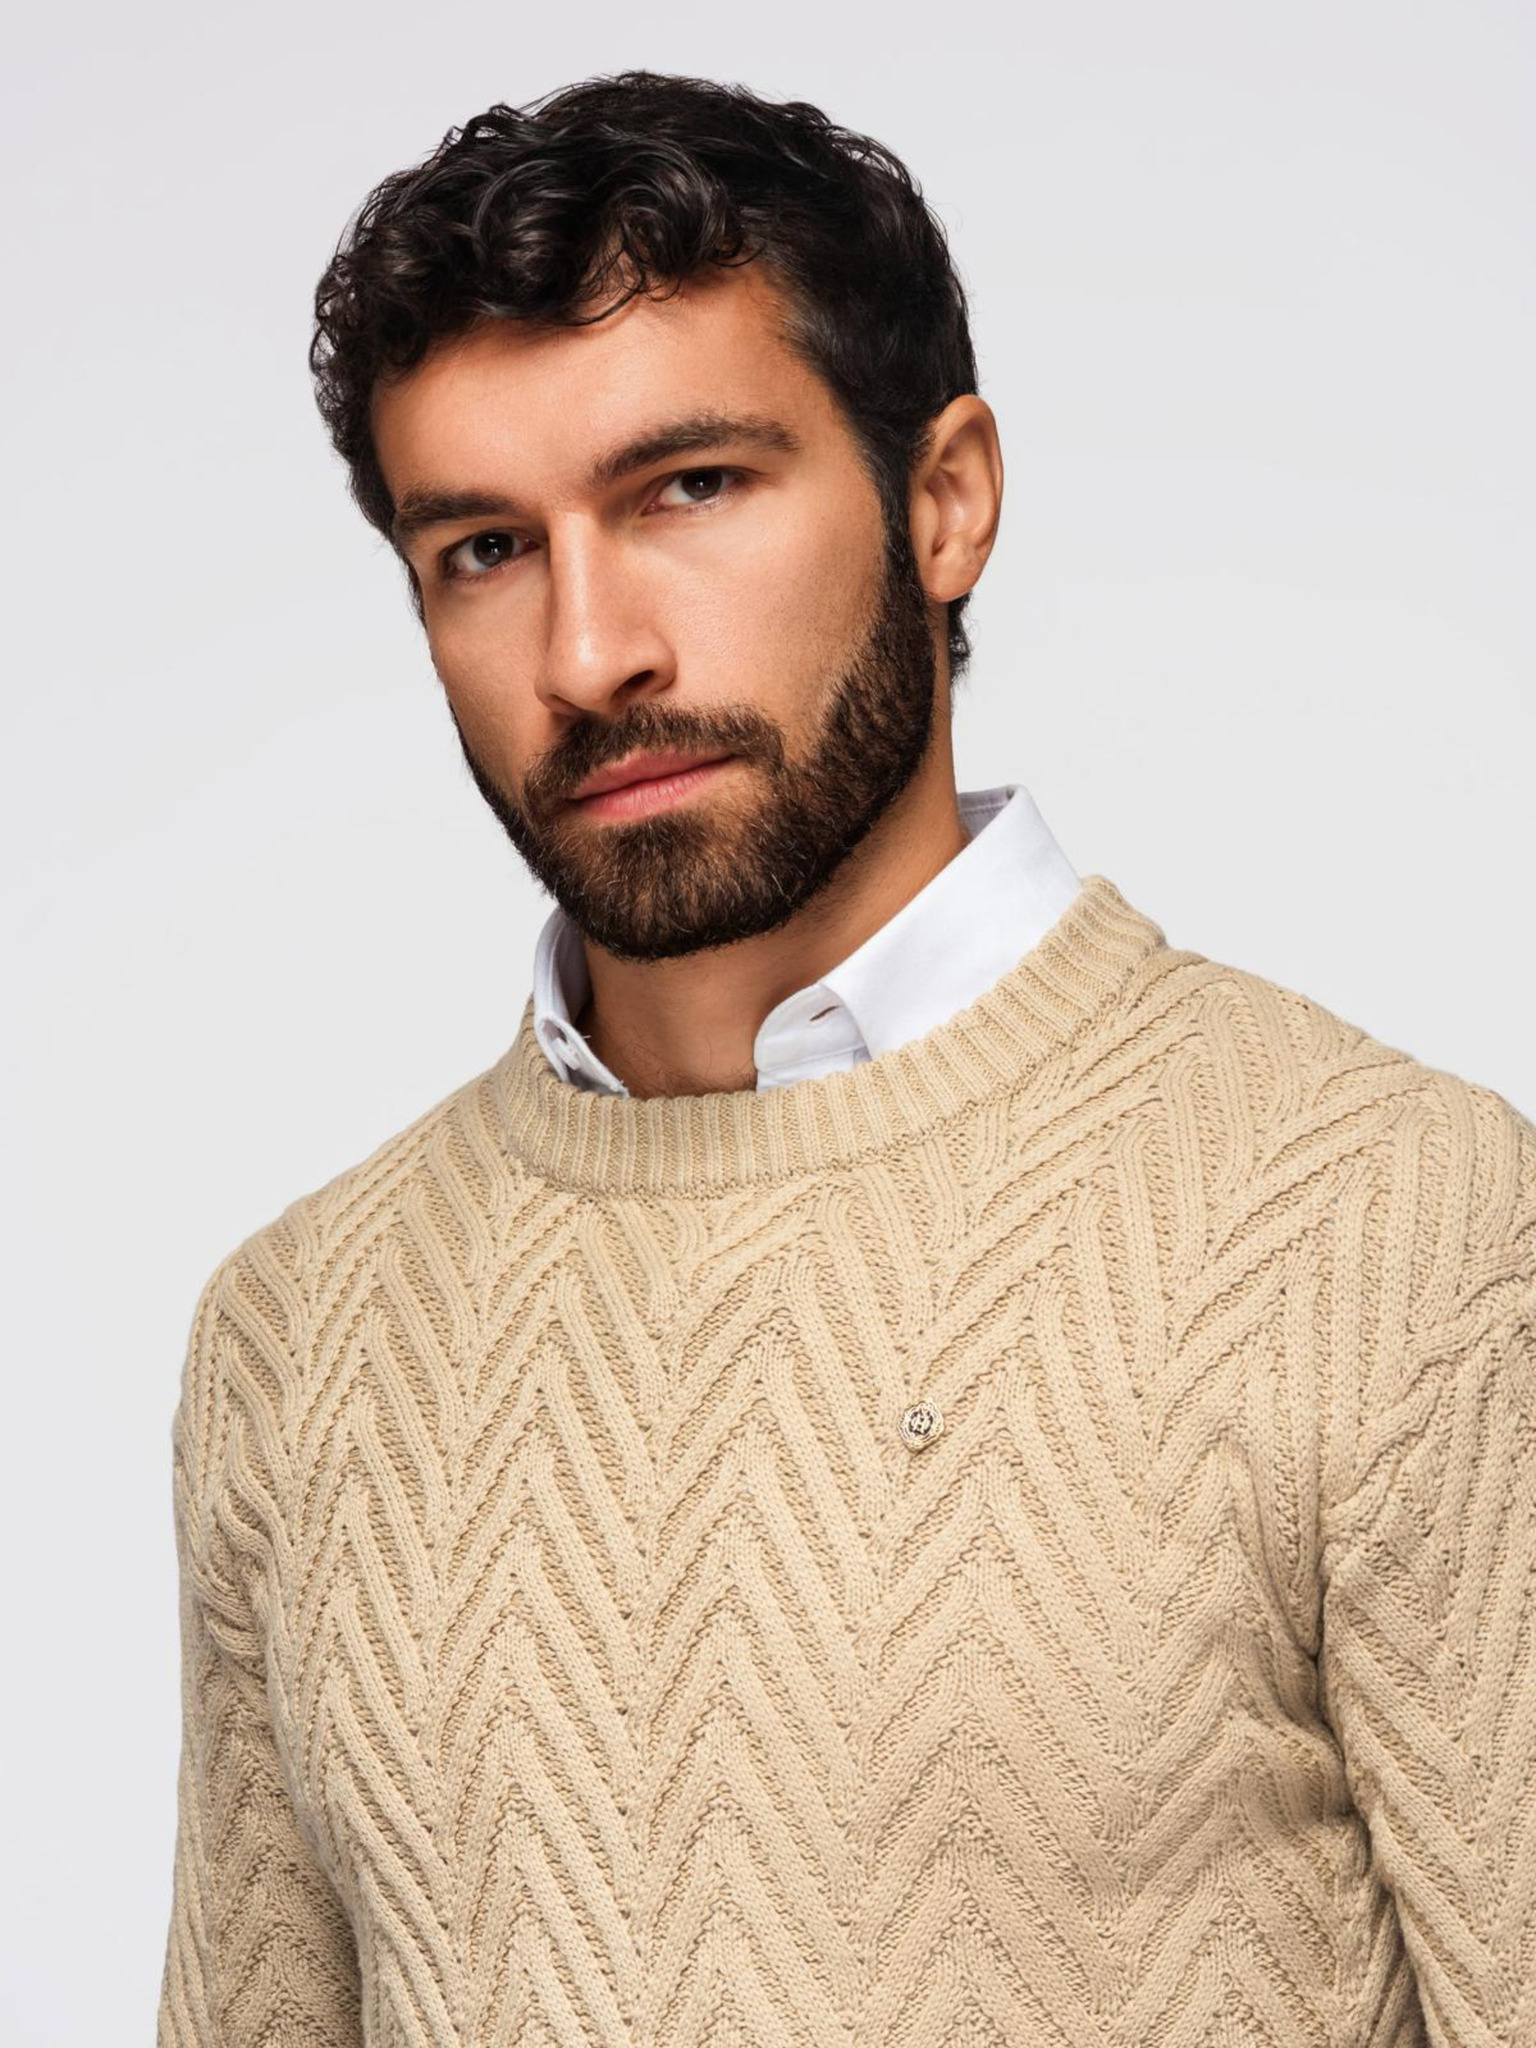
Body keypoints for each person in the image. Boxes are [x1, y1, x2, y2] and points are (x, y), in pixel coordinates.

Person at [157, 70, 1535, 2048]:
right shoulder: (298, 1339)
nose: (590, 654)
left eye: (689, 488)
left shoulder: (1391, 1228)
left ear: (944, 499)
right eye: (484, 548)